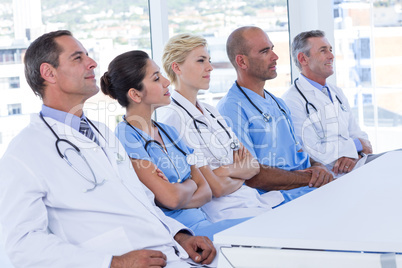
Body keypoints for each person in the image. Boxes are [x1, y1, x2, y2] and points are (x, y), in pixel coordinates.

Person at [0, 30, 216, 268]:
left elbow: (141, 199)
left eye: (88, 56)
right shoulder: (23, 153)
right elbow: (23, 245)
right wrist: (112, 262)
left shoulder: (103, 132)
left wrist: (180, 236)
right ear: (48, 73)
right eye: (78, 58)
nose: (92, 63)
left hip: (168, 251)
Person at [100, 50, 247, 240]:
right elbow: (172, 198)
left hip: (208, 223)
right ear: (135, 94)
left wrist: (179, 191)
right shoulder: (126, 138)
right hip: (181, 236)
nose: (166, 81)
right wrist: (190, 185)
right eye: (155, 78)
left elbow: (206, 191)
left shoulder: (169, 132)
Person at [157, 33, 285, 222]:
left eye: (209, 60)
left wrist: (223, 171)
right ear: (177, 67)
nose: (210, 67)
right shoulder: (173, 120)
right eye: (201, 61)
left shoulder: (211, 112)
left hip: (253, 202)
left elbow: (252, 166)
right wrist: (236, 169)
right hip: (227, 214)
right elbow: (213, 187)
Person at [217, 26, 334, 200]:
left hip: (305, 188)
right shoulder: (231, 109)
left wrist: (319, 167)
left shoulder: (278, 103)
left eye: (272, 49)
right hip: (277, 198)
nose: (275, 57)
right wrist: (309, 178)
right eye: (265, 51)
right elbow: (252, 173)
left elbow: (298, 151)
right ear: (242, 62)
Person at [282, 30, 372, 176]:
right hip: (330, 178)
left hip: (356, 166)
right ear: (303, 59)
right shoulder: (291, 101)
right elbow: (312, 151)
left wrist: (357, 156)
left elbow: (361, 137)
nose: (331, 56)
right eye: (323, 51)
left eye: (330, 50)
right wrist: (356, 145)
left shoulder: (337, 92)